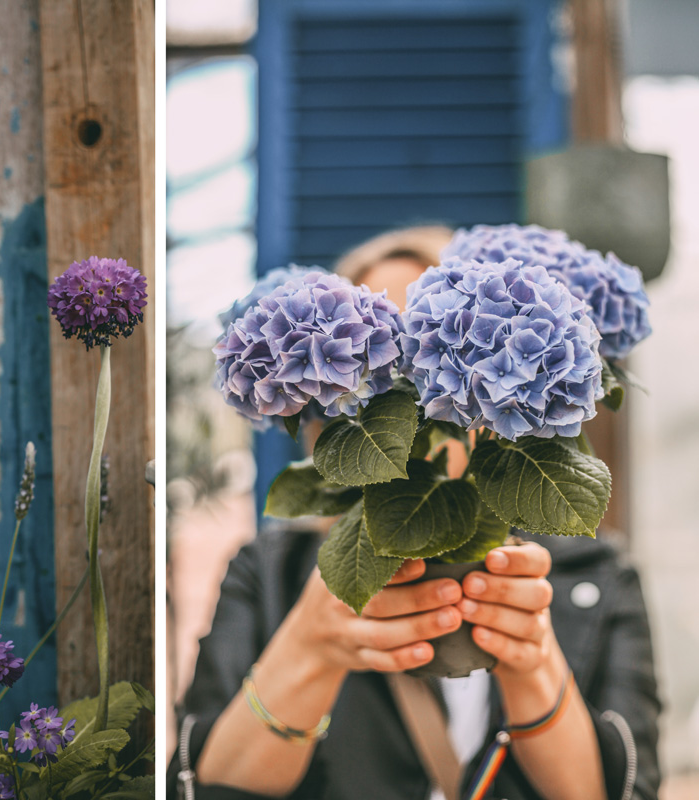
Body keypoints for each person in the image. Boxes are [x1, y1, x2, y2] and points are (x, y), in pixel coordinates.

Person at [169, 228, 660, 800]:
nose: (409, 379)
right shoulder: (270, 573)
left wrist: (532, 664)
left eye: (420, 345)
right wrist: (309, 648)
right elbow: (199, 787)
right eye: (385, 356)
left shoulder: (595, 574)